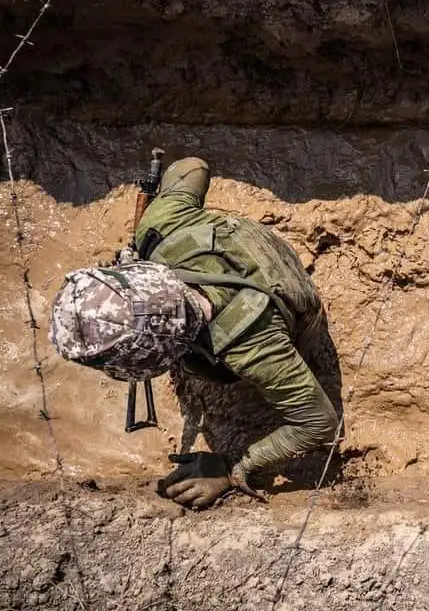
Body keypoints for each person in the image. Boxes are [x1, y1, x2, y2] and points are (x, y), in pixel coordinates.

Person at [48, 157, 340, 509]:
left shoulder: (253, 348)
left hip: (293, 315)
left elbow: (318, 422)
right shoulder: (161, 228)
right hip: (260, 250)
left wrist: (233, 466)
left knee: (214, 371)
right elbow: (193, 166)